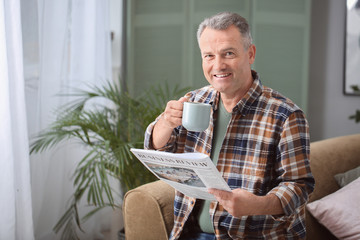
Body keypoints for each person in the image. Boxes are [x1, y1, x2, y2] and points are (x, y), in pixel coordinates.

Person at [144, 12, 314, 240]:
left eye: (229, 53)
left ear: (250, 53)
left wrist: (257, 205)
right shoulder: (194, 101)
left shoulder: (286, 115)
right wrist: (165, 122)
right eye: (209, 56)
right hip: (189, 233)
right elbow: (157, 149)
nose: (218, 65)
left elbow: (299, 186)